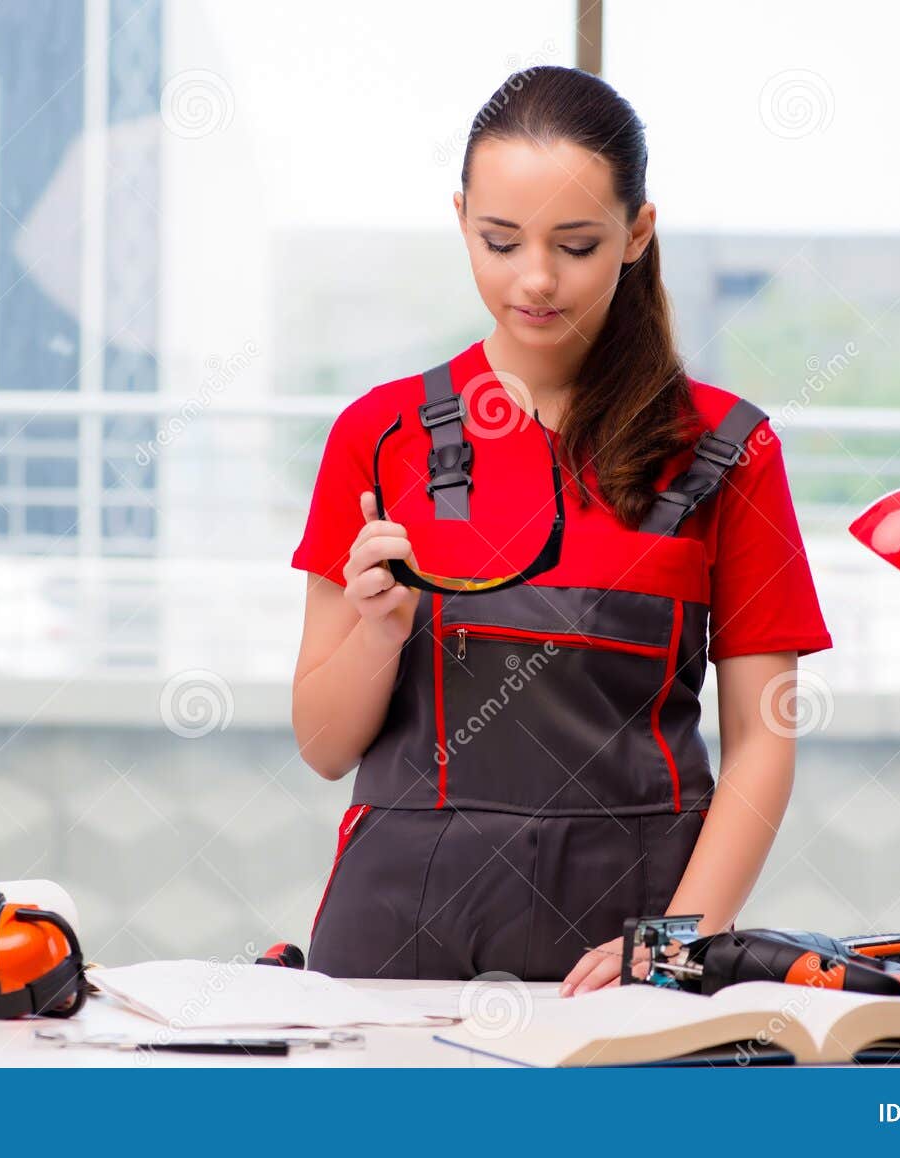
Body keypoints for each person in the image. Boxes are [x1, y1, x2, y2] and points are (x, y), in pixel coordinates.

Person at [289, 66, 832, 994]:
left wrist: (671, 950)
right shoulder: (376, 436)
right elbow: (325, 744)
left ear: (638, 233)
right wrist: (379, 630)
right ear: (461, 217)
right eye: (501, 241)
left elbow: (763, 742)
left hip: (629, 952)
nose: (535, 280)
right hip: (392, 956)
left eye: (576, 246)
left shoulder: (730, 451)